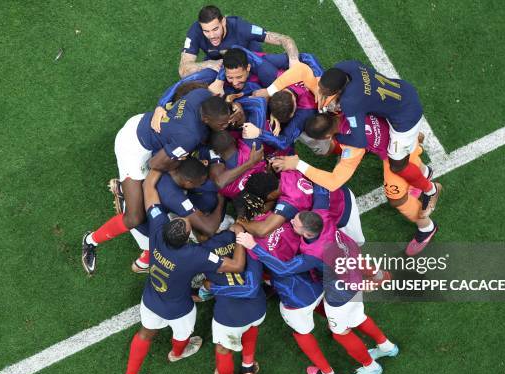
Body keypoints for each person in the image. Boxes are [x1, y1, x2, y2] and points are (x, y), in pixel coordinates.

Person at [118, 169, 246, 374]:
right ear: (187, 239)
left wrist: (157, 167)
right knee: (183, 336)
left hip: (151, 299)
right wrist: (241, 239)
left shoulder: (158, 230)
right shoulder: (195, 255)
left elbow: (149, 189)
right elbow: (235, 266)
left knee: (145, 334)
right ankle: (177, 353)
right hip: (179, 308)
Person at [237, 209, 399, 374]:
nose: (291, 222)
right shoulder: (324, 218)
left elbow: (283, 269)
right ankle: (387, 347)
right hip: (351, 277)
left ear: (307, 233)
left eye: (295, 224)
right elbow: (321, 194)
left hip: (340, 294)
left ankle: (371, 367)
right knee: (358, 317)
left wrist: (254, 246)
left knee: (340, 333)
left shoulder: (313, 253)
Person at [81, 89, 229, 275]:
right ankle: (91, 240)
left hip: (143, 122)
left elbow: (179, 89)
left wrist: (160, 107)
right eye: (222, 122)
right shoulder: (189, 138)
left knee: (152, 200)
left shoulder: (202, 95)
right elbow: (155, 163)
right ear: (206, 118)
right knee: (135, 217)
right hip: (133, 148)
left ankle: (128, 190)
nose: (227, 124)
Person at [278, 112, 439, 254]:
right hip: (402, 127)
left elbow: (334, 182)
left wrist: (298, 164)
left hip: (398, 151)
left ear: (327, 137)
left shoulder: (353, 145)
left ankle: (426, 227)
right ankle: (425, 172)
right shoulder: (345, 105)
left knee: (396, 196)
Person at [232, 192, 340, 374]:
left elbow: (257, 281)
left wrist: (248, 242)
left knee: (302, 334)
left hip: (295, 301)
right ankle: (338, 328)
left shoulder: (251, 244)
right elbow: (321, 194)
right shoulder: (291, 222)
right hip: (315, 285)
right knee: (322, 309)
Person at [314, 61, 442, 217]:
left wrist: (336, 135)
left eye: (326, 92)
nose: (322, 92)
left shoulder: (350, 102)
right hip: (403, 91)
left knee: (397, 164)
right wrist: (322, 90)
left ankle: (431, 189)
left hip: (406, 118)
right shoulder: (347, 66)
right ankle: (422, 165)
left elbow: (360, 141)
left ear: (339, 90)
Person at [200, 228, 266, 374]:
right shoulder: (246, 241)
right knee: (251, 328)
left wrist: (210, 286)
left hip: (230, 318)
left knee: (224, 349)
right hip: (258, 308)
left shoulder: (198, 252)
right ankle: (248, 370)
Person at [179, 5, 299, 77]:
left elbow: (285, 39)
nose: (211, 36)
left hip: (248, 58)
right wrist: (208, 64)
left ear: (224, 22)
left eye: (215, 29)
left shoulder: (242, 28)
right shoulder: (195, 31)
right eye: (206, 31)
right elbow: (183, 70)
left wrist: (294, 62)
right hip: (218, 61)